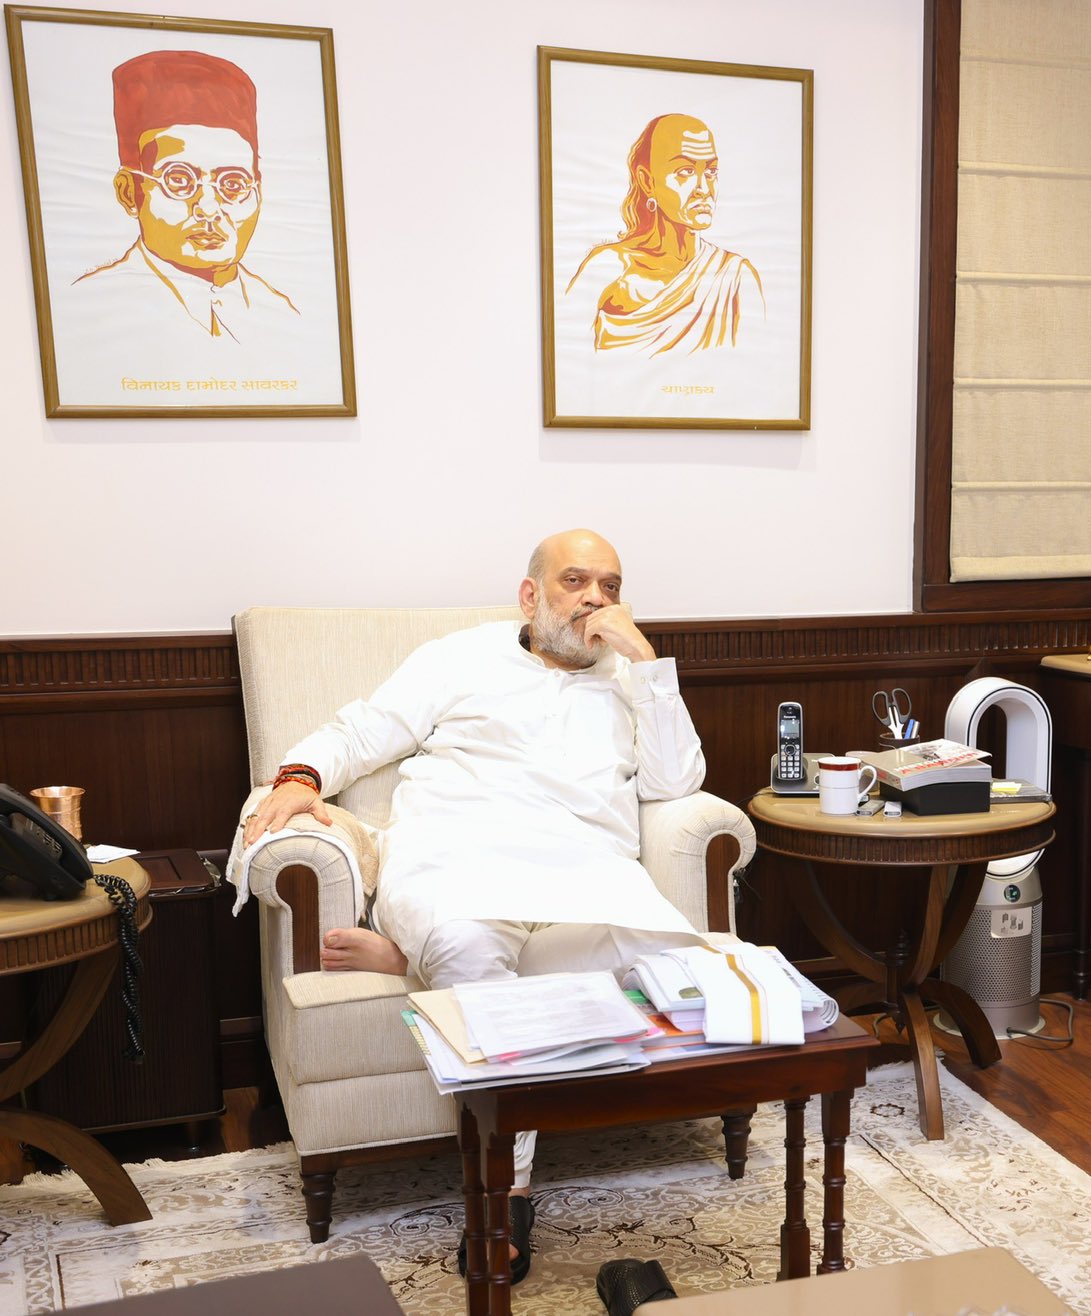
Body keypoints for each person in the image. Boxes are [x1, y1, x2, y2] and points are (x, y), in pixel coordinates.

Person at [241, 528, 709, 1283]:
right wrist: (299, 775)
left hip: (581, 875)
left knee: (677, 971)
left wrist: (650, 665)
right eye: (576, 581)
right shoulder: (459, 658)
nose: (596, 599)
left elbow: (674, 784)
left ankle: (407, 958)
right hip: (461, 860)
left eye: (612, 586)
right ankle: (505, 1193)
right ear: (531, 595)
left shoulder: (630, 677)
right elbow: (365, 728)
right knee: (466, 944)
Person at [72, 49, 300, 341]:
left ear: (258, 191)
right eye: (179, 180)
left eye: (232, 184)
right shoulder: (93, 311)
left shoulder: (283, 315)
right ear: (129, 192)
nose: (207, 208)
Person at [565, 113, 765, 356]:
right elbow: (565, 360)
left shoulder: (735, 276)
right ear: (647, 182)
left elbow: (758, 370)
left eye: (711, 171)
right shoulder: (609, 267)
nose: (704, 189)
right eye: (685, 171)